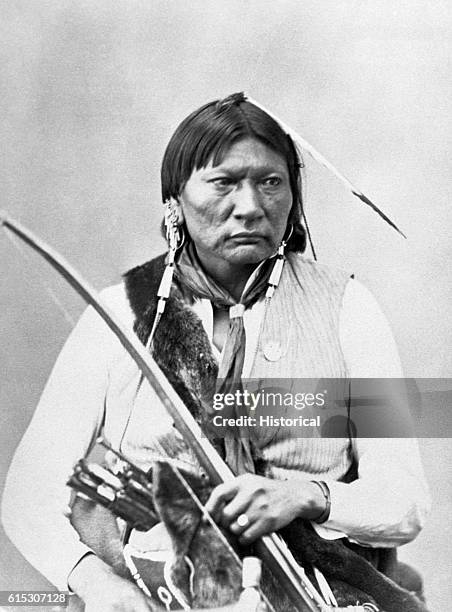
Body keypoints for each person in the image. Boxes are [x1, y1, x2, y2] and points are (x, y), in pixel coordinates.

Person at [1, 93, 430, 611]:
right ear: (175, 202)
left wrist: (308, 496)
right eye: (223, 183)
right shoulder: (122, 314)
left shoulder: (348, 310)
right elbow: (29, 491)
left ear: (293, 197)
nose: (250, 206)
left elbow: (405, 502)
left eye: (270, 182)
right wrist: (94, 583)